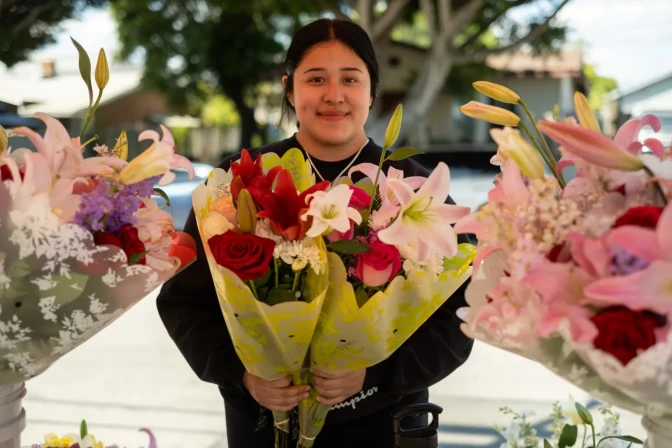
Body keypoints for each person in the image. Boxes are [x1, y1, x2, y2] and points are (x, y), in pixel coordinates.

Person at [156, 18, 474, 447]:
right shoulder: (239, 180)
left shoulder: (409, 186)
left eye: (350, 79)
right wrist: (244, 376)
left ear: (371, 90)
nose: (334, 95)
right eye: (316, 79)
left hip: (385, 422)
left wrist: (376, 374)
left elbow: (461, 311)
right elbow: (184, 301)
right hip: (265, 423)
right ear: (290, 89)